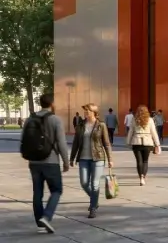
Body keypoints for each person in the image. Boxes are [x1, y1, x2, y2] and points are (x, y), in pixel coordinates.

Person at [21, 93, 69, 233]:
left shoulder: (30, 119)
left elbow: (24, 139)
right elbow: (61, 142)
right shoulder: (55, 120)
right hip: (51, 161)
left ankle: (39, 223)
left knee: (37, 192)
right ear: (52, 104)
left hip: (34, 162)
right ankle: (46, 217)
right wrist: (66, 161)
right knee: (56, 190)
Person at [69, 103, 112, 220]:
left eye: (88, 111)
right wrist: (72, 158)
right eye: (85, 111)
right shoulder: (80, 125)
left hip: (98, 158)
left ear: (94, 112)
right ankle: (95, 199)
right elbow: (76, 143)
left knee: (95, 184)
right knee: (84, 183)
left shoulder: (101, 125)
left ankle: (93, 207)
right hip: (83, 158)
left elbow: (106, 143)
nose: (86, 113)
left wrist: (110, 159)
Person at [126, 105, 160, 186]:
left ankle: (140, 177)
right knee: (145, 161)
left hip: (136, 142)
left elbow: (130, 131)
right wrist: (157, 144)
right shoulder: (150, 120)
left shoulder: (134, 120)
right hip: (147, 142)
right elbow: (154, 132)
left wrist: (128, 142)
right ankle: (143, 177)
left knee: (139, 161)